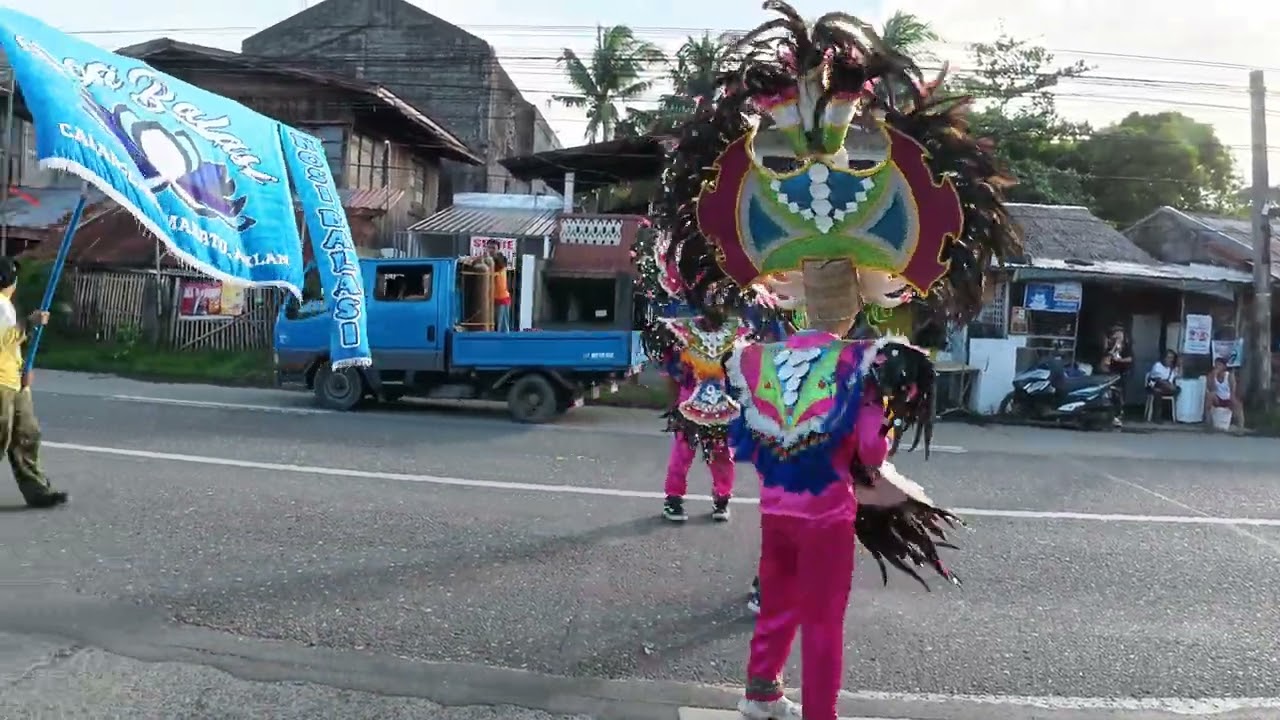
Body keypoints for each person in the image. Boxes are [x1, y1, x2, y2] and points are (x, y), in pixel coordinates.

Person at [651, 4, 1021, 718]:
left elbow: (739, 440)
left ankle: (761, 698)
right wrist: (888, 490)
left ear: (791, 293)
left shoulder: (753, 360)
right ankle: (819, 713)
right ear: (856, 302)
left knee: (776, 604)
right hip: (825, 516)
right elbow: (870, 452)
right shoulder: (865, 367)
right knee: (823, 620)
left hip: (777, 510)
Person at [653, 303, 744, 522]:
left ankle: (722, 499)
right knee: (683, 453)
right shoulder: (681, 333)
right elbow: (672, 372)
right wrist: (675, 402)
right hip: (689, 402)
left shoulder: (734, 333)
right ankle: (673, 500)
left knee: (721, 454)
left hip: (721, 403)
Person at [0, 258, 68, 509]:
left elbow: (8, 346)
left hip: (12, 381)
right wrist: (30, 322)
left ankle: (37, 490)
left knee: (26, 435)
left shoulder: (6, 306)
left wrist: (21, 371)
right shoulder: (1, 306)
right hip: (2, 384)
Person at [1205, 356, 1245, 430]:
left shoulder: (1229, 376)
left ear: (1224, 367)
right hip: (1218, 398)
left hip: (1228, 397)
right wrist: (1213, 376)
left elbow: (1233, 390)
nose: (1217, 367)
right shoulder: (1211, 375)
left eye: (1219, 365)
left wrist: (1233, 400)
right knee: (1209, 396)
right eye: (1216, 365)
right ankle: (1209, 424)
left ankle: (1240, 426)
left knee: (1238, 405)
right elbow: (1211, 389)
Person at [491, 252, 511, 332]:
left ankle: (502, 335)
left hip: (502, 299)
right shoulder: (502, 270)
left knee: (500, 322)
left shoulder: (498, 272)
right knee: (502, 322)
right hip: (502, 298)